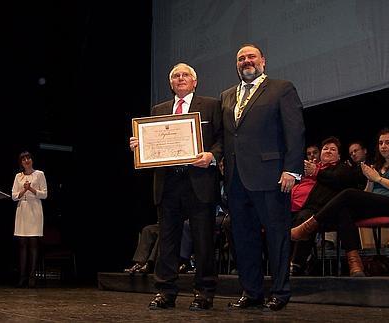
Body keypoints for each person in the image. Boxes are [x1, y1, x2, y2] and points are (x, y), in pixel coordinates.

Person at [129, 63, 222, 311]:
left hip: (199, 183)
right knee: (167, 241)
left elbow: (223, 140)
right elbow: (151, 143)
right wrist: (141, 146)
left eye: (185, 75)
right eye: (175, 76)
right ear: (171, 84)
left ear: (195, 81)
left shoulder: (212, 105)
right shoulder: (158, 109)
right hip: (167, 184)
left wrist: (212, 156)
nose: (180, 78)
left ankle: (204, 292)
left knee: (203, 241)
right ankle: (165, 292)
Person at [221, 44, 305, 311]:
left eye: (251, 57)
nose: (246, 61)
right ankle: (252, 292)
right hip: (236, 179)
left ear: (263, 62)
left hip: (271, 177)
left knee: (276, 236)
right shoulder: (226, 96)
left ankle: (280, 292)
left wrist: (291, 169)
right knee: (243, 237)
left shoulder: (282, 88)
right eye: (241, 58)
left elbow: (295, 131)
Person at [292, 128, 389, 277]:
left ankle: (308, 226)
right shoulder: (378, 166)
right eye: (380, 143)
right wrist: (371, 179)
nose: (383, 146)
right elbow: (369, 193)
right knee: (343, 210)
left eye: (388, 142)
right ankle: (355, 264)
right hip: (375, 203)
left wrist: (378, 179)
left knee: (347, 193)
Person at [290, 137, 360, 276]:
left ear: (339, 156)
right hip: (298, 209)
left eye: (333, 149)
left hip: (326, 212)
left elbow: (339, 180)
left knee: (308, 216)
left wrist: (316, 172)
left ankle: (297, 263)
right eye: (325, 148)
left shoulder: (342, 168)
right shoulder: (308, 168)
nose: (328, 151)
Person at [11, 151, 48, 288]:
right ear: (21, 162)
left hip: (35, 210)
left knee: (33, 244)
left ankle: (32, 277)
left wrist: (31, 189)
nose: (26, 161)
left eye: (28, 158)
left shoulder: (39, 174)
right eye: (24, 159)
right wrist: (23, 191)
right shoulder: (18, 176)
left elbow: (44, 194)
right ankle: (22, 277)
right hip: (22, 210)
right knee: (22, 245)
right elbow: (14, 196)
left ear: (32, 160)